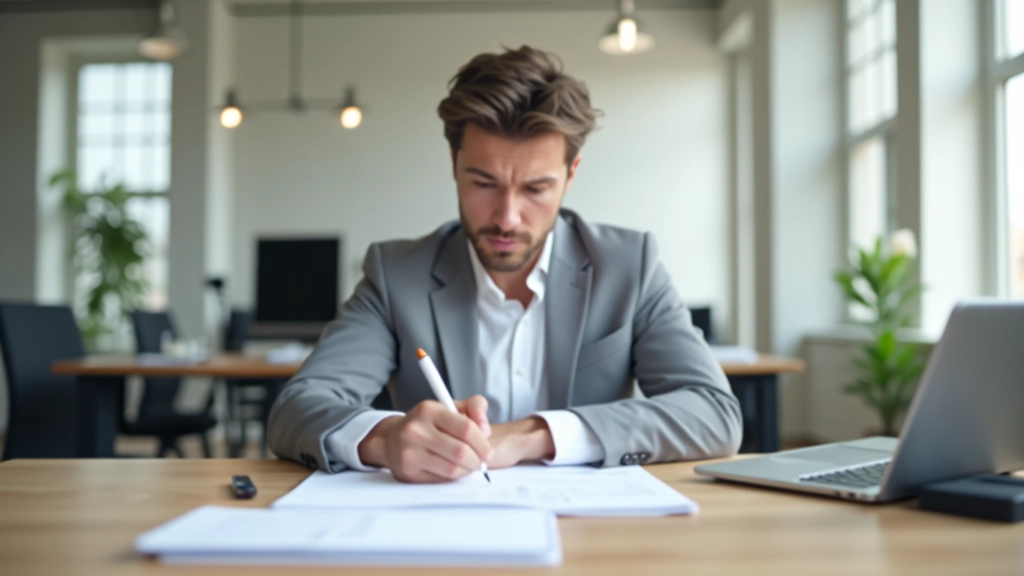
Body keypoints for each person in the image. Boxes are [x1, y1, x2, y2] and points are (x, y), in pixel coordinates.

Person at [267, 46, 742, 482]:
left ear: (569, 176)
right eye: (484, 183)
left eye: (536, 188)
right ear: (454, 163)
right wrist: (384, 438)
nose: (507, 217)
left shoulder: (628, 266)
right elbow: (296, 410)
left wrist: (532, 434)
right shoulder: (397, 275)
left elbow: (713, 413)